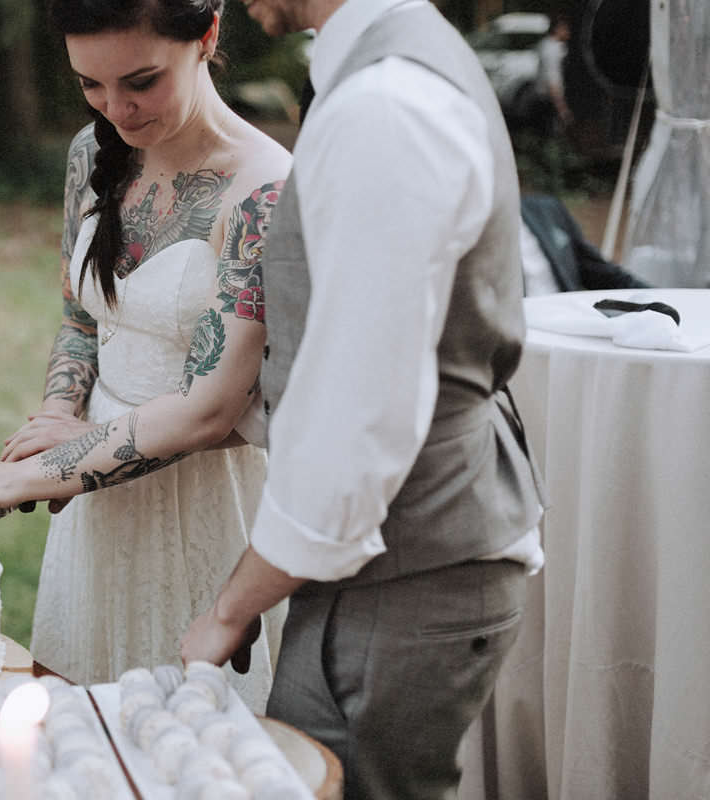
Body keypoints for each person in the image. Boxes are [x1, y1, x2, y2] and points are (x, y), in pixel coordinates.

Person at [178, 0, 545, 798]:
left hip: (401, 578)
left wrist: (231, 607)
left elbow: (357, 421)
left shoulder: (383, 108)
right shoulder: (391, 71)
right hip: (397, 565)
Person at [0, 0, 292, 711]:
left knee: (193, 746)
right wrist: (54, 415)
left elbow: (211, 409)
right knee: (80, 727)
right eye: (90, 86)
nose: (118, 111)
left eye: (141, 81)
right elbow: (81, 315)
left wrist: (47, 470)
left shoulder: (263, 189)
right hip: (91, 500)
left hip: (202, 506)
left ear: (207, 36)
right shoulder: (91, 151)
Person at [519, 192, 651, 295]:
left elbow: (597, 271)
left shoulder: (546, 210)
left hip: (565, 321)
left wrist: (659, 296)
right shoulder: (498, 234)